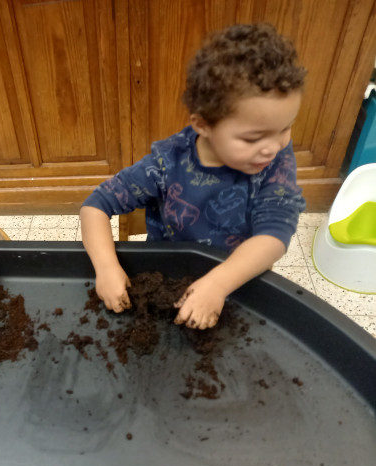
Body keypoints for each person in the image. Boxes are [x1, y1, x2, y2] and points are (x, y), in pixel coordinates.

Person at [80, 23, 307, 330]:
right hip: (168, 276)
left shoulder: (274, 162)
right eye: (253, 138)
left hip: (236, 279)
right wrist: (106, 268)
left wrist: (217, 285)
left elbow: (275, 235)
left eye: (285, 128)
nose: (274, 147)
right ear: (203, 124)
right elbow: (95, 206)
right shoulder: (168, 162)